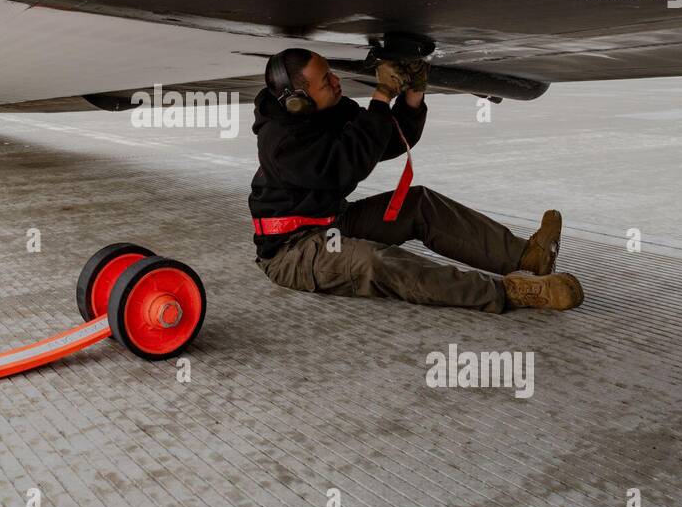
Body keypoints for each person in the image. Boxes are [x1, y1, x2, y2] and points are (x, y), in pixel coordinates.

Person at [248, 48, 584, 313]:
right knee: (375, 262)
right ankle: (507, 292)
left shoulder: (327, 109)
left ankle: (526, 257)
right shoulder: (280, 143)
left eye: (331, 74)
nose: (337, 82)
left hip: (334, 222)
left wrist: (413, 95)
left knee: (419, 203)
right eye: (326, 81)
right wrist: (381, 95)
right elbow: (347, 164)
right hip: (293, 252)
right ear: (298, 101)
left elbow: (386, 139)